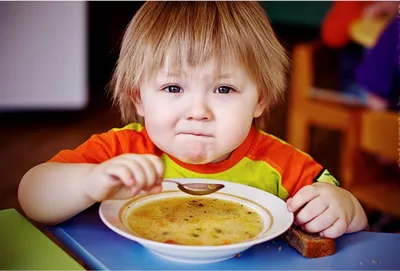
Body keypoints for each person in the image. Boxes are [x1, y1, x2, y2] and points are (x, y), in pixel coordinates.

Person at [18, 2, 368, 239]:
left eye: (224, 89)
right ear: (138, 97)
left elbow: (354, 224)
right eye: (173, 87)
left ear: (259, 99)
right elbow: (32, 196)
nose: (198, 110)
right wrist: (89, 183)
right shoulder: (121, 152)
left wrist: (344, 208)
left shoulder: (281, 165)